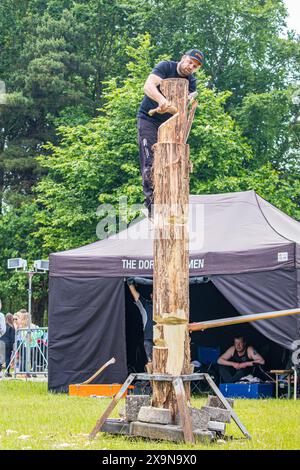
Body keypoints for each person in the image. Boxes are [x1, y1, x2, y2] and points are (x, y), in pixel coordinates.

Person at [137, 49, 204, 215]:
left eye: (195, 66)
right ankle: (152, 205)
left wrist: (175, 107)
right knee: (151, 161)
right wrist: (161, 100)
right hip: (149, 120)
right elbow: (148, 86)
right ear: (183, 58)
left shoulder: (191, 82)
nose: (190, 67)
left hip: (172, 124)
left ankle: (172, 203)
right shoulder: (166, 67)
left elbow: (182, 106)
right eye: (189, 62)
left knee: (173, 162)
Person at [127, 277, 155, 362]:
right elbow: (136, 295)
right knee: (151, 364)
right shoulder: (146, 304)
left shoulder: (168, 306)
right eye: (154, 293)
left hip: (165, 338)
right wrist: (130, 284)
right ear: (151, 295)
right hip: (149, 339)